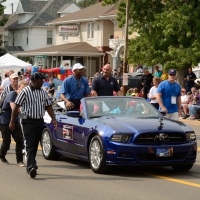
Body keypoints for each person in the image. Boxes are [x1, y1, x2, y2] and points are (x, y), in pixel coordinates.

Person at [9, 72, 57, 178]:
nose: (43, 82)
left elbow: (48, 106)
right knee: (30, 144)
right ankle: (32, 166)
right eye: (41, 80)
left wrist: (54, 119)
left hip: (39, 120)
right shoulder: (25, 92)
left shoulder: (43, 92)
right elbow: (16, 107)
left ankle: (30, 165)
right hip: (27, 121)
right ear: (35, 81)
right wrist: (12, 121)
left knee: (35, 143)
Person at [0, 80, 28, 166]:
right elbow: (14, 109)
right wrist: (26, 116)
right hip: (5, 120)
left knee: (19, 140)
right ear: (18, 87)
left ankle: (19, 160)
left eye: (25, 89)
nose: (23, 91)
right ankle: (2, 155)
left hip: (15, 120)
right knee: (7, 141)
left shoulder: (24, 97)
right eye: (22, 88)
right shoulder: (12, 94)